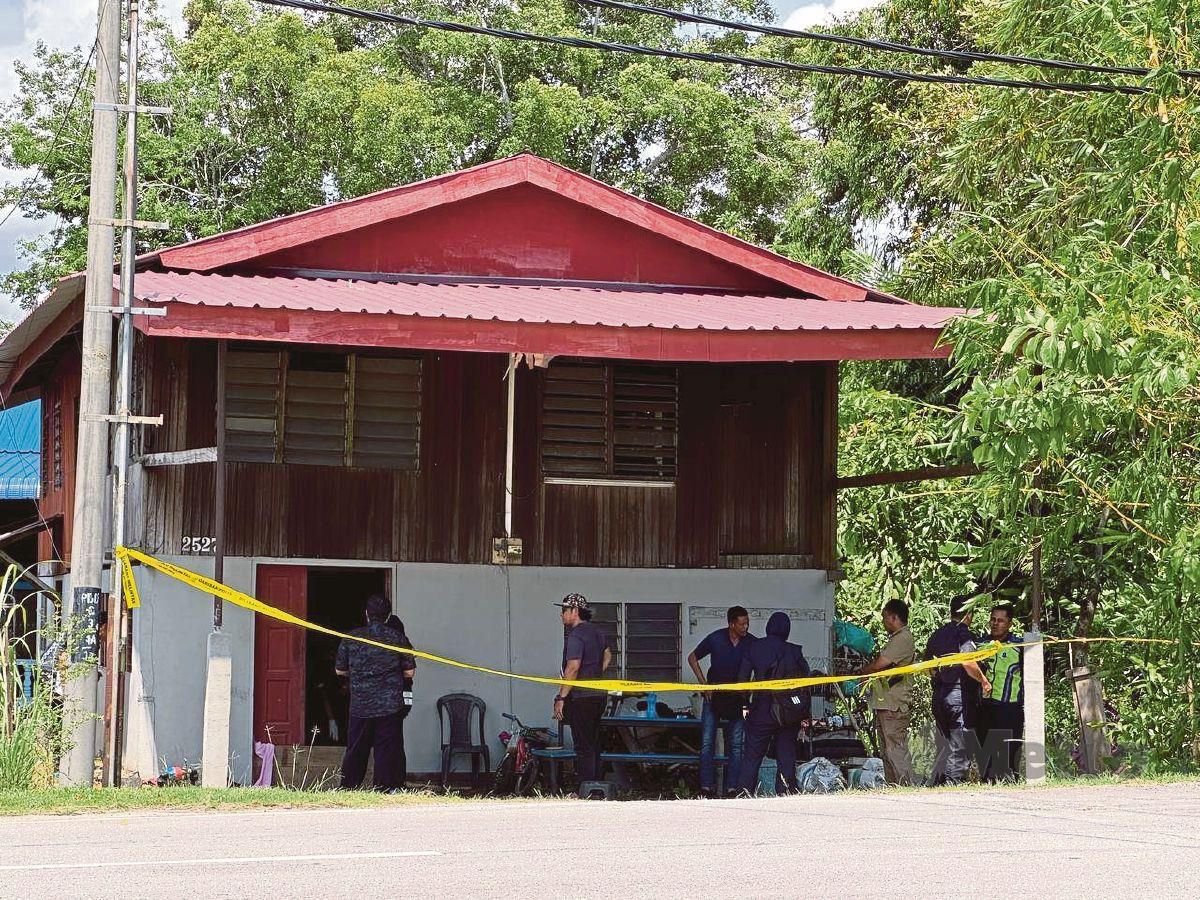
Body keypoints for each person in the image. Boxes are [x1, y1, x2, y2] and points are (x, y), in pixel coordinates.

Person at [335, 594, 416, 791]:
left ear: (366, 614)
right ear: (388, 616)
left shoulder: (351, 638)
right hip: (389, 705)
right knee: (386, 748)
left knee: (356, 748)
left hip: (360, 705)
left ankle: (348, 788)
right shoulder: (398, 638)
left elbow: (339, 670)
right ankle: (385, 787)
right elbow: (409, 671)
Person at [736, 611, 810, 795]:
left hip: (761, 710)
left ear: (768, 627)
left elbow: (742, 680)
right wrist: (803, 713)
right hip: (788, 713)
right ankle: (785, 794)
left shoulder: (754, 648)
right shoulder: (794, 651)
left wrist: (746, 704)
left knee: (752, 757)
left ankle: (744, 793)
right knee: (786, 755)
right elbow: (806, 685)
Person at [688, 605, 755, 797]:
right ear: (731, 624)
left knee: (736, 744)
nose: (746, 627)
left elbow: (761, 664)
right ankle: (706, 787)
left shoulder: (751, 643)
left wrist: (752, 686)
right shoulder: (716, 638)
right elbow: (692, 657)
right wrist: (704, 686)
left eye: (747, 623)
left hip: (740, 700)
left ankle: (732, 788)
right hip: (714, 697)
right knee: (707, 742)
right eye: (742, 624)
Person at [924, 596, 991, 786]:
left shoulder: (937, 635)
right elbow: (968, 661)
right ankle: (953, 785)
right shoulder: (964, 634)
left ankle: (937, 783)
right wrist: (984, 681)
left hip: (939, 696)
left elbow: (929, 667)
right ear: (968, 614)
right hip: (958, 697)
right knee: (959, 745)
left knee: (944, 744)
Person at [551, 593, 612, 791]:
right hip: (598, 695)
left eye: (564, 611)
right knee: (593, 743)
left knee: (583, 746)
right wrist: (594, 673)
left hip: (581, 697)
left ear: (574, 612)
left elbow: (573, 667)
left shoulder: (576, 635)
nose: (561, 615)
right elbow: (608, 655)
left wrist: (561, 697)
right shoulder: (598, 632)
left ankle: (584, 789)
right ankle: (596, 786)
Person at [856, 598, 916, 785]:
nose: (883, 622)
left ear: (893, 617)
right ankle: (893, 785)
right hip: (885, 702)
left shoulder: (902, 638)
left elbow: (880, 664)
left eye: (884, 618)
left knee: (895, 749)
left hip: (894, 704)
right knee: (886, 750)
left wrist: (862, 671)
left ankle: (905, 785)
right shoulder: (896, 639)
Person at [976, 603, 1024, 781]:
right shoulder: (980, 643)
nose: (995, 624)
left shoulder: (1020, 645)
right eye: (993, 620)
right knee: (985, 752)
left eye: (1001, 621)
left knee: (1009, 753)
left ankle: (1011, 781)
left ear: (1009, 623)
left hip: (1009, 707)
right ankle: (987, 783)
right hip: (985, 706)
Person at [385, 613, 418, 786]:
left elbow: (408, 672)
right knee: (396, 740)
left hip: (394, 700)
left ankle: (395, 780)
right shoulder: (404, 645)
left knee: (393, 741)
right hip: (404, 698)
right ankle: (397, 780)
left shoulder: (394, 645)